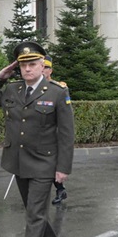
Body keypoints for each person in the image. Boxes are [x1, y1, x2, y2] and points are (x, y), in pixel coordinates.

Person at [0, 41, 75, 237]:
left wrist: (62, 168)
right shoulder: (12, 90)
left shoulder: (56, 92)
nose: (27, 69)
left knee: (34, 215)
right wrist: (0, 77)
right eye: (23, 65)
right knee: (35, 212)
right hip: (18, 163)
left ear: (43, 65)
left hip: (44, 163)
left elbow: (66, 134)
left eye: (32, 64)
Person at [43, 55, 68, 205]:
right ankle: (60, 190)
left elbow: (64, 115)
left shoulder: (59, 88)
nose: (43, 70)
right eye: (42, 67)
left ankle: (59, 189)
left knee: (51, 165)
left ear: (50, 70)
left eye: (46, 68)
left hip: (54, 134)